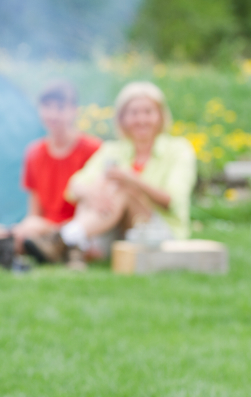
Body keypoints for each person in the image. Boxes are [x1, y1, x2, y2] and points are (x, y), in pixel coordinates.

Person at [46, 81, 196, 267]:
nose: (141, 120)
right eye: (133, 113)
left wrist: (132, 179)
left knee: (122, 187)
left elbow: (171, 201)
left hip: (161, 232)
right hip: (116, 228)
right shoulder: (113, 149)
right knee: (97, 185)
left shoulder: (178, 150)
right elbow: (75, 185)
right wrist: (92, 194)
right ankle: (74, 241)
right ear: (122, 118)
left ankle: (67, 238)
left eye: (148, 112)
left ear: (160, 116)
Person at [0, 80, 100, 262]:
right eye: (47, 107)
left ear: (74, 110)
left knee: (30, 227)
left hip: (70, 232)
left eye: (60, 108)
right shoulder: (35, 153)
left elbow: (95, 212)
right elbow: (34, 212)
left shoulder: (93, 150)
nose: (53, 114)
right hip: (35, 231)